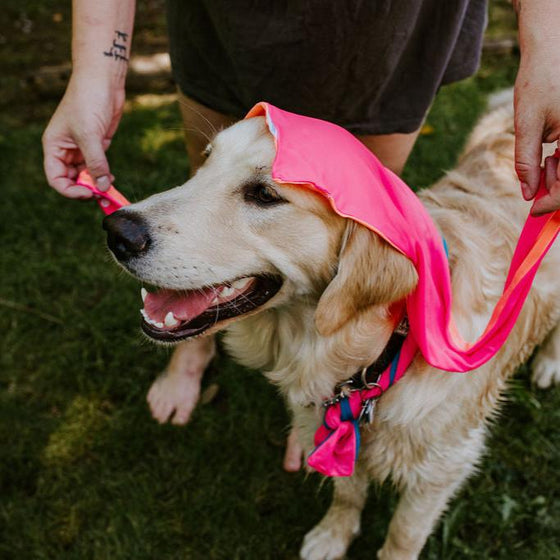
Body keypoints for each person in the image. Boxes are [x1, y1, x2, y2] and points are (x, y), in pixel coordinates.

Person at [42, 0, 560, 472]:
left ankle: (333, 401)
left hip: (392, 27)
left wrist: (550, 46)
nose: (141, 217)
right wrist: (97, 73)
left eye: (262, 197)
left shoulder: (365, 261)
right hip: (228, 21)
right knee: (229, 197)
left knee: (358, 211)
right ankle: (204, 351)